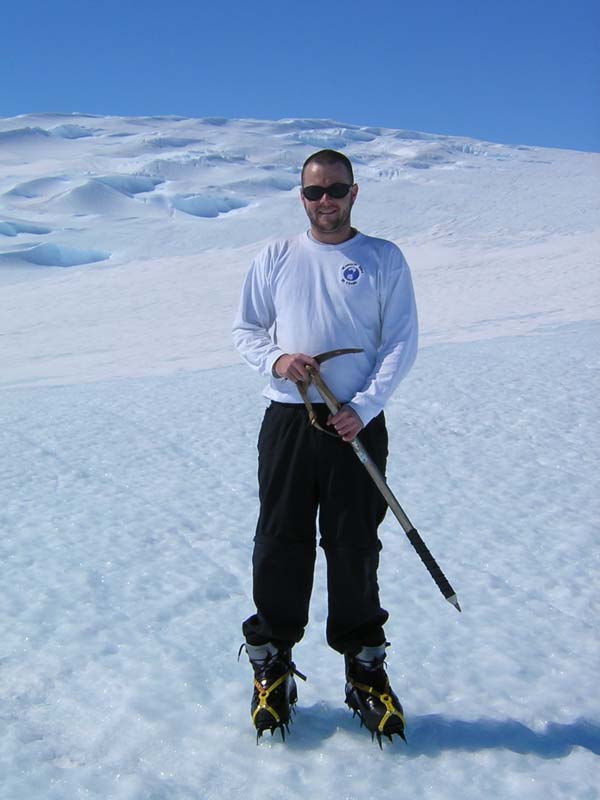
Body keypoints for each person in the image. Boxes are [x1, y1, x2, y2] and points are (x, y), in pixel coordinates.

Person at [232, 149, 418, 743]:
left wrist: (362, 409)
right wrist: (279, 358)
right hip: (290, 421)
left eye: (336, 189)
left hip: (356, 426)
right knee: (280, 541)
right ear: (301, 196)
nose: (325, 201)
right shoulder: (277, 255)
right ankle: (273, 663)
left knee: (355, 543)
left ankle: (365, 667)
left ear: (355, 193)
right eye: (314, 192)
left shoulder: (382, 257)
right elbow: (246, 328)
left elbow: (400, 342)